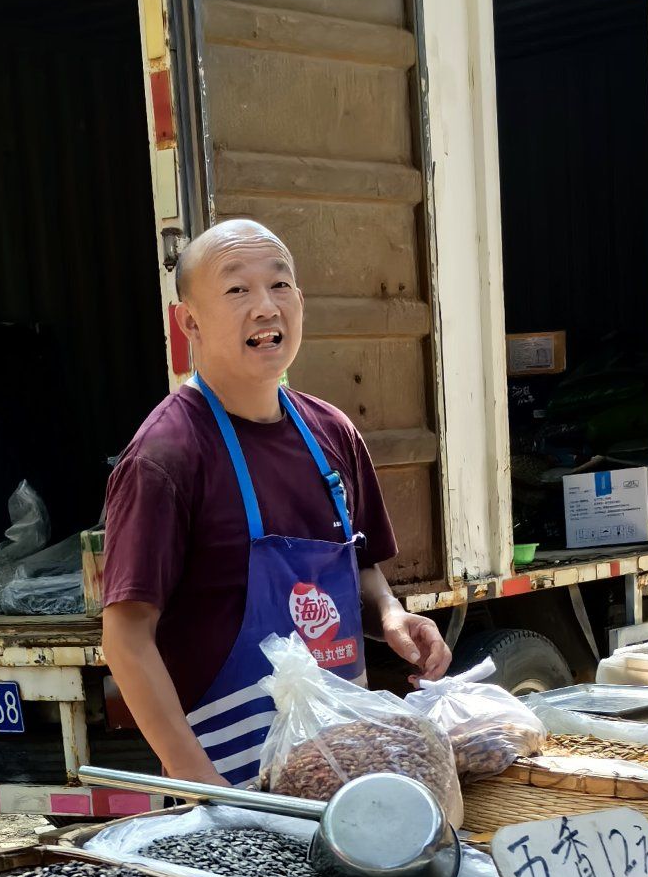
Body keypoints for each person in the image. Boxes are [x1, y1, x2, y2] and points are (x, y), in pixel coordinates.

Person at [101, 218, 449, 785]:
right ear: (190, 322)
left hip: (341, 769)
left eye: (280, 285)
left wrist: (390, 614)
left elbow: (361, 565)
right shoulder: (166, 457)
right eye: (237, 289)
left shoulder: (332, 433)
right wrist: (200, 785)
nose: (266, 307)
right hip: (232, 780)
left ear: (301, 303)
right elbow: (125, 639)